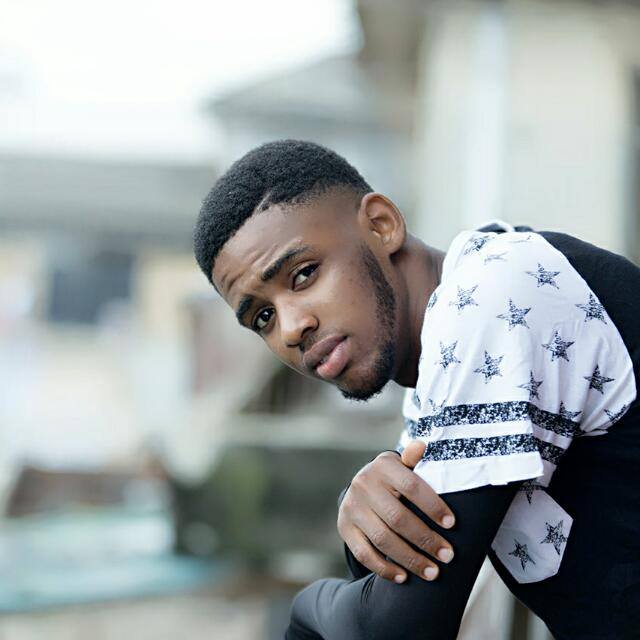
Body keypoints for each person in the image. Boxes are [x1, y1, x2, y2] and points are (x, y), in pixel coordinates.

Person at [193, 140, 640, 639]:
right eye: (263, 317)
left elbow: (397, 630)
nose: (292, 328)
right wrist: (361, 510)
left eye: (303, 274)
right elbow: (394, 585)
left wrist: (303, 607)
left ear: (381, 224)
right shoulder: (433, 385)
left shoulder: (495, 295)